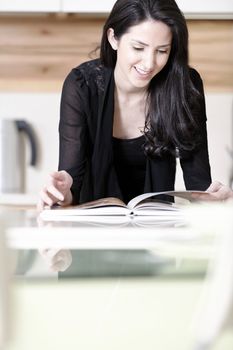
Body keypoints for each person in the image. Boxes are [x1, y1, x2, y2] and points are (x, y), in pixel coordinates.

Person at [38, 0, 233, 210]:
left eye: (162, 51)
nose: (149, 64)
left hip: (158, 229)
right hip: (93, 231)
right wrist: (61, 192)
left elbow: (198, 182)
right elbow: (70, 184)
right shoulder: (82, 86)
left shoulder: (184, 86)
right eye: (138, 47)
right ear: (113, 38)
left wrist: (214, 200)